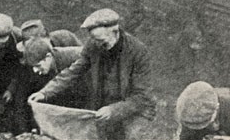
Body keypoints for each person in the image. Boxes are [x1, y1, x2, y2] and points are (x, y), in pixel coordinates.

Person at [28, 9, 156, 140]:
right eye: (94, 39)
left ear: (115, 31)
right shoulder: (93, 45)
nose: (97, 44)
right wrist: (45, 92)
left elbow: (141, 97)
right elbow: (74, 71)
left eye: (101, 40)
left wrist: (114, 110)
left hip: (133, 112)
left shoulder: (138, 52)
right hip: (103, 109)